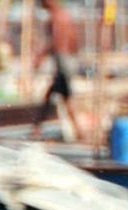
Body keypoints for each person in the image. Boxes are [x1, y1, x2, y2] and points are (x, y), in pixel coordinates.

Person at [30, 0, 83, 140]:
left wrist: (40, 57)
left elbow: (55, 40)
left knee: (64, 95)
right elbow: (74, 40)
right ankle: (37, 128)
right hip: (67, 59)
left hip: (63, 60)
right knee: (54, 94)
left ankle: (37, 128)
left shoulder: (56, 17)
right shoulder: (65, 15)